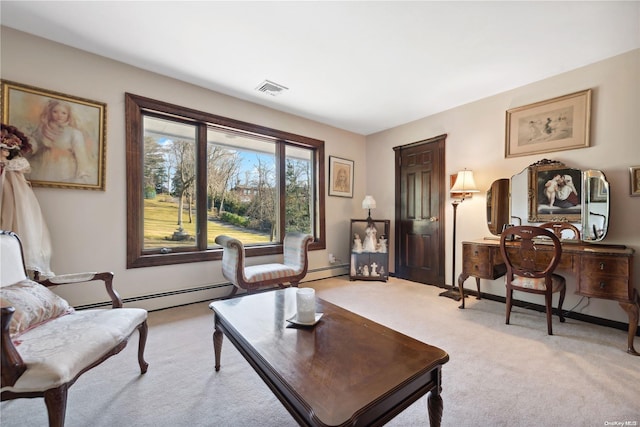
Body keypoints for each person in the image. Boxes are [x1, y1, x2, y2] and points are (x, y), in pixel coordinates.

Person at [0, 123, 54, 278]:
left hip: (11, 197)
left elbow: (18, 191)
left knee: (15, 220)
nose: (4, 152)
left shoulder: (13, 167)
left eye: (6, 150)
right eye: (2, 149)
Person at [28, 99, 94, 183]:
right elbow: (34, 145)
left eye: (63, 113)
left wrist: (82, 175)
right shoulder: (42, 130)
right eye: (55, 112)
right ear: (50, 113)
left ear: (68, 115)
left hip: (65, 173)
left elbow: (81, 157)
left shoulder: (74, 133)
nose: (59, 115)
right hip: (43, 170)